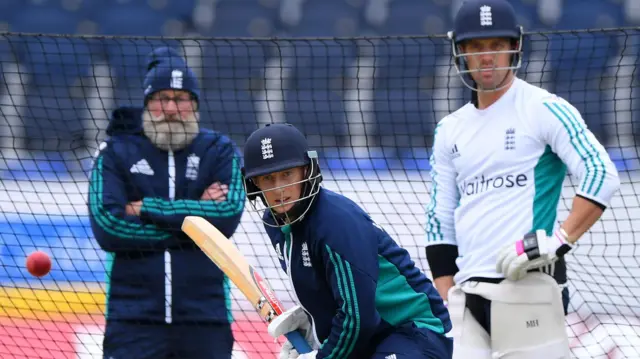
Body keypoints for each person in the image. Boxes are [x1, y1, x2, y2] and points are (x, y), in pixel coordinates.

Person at [424, 0, 621, 358]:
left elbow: (600, 173)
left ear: (514, 46)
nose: (488, 57)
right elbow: (439, 221)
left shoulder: (544, 108)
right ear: (460, 51)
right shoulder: (448, 129)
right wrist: (448, 296)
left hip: (529, 287)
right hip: (468, 298)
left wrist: (559, 241)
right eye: (476, 47)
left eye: (497, 45)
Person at [240, 123, 453, 359]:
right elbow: (331, 292)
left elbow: (358, 316)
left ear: (306, 171)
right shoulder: (277, 222)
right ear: (255, 184)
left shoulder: (335, 222)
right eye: (268, 178)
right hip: (373, 337)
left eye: (287, 174)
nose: (280, 188)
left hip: (415, 331)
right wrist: (313, 326)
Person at [87, 47, 245, 359]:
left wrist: (145, 208)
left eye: (181, 98)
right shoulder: (116, 151)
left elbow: (227, 216)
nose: (171, 108)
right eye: (162, 98)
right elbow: (109, 227)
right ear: (147, 104)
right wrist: (197, 223)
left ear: (195, 105)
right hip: (132, 320)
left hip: (206, 319)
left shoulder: (221, 150)